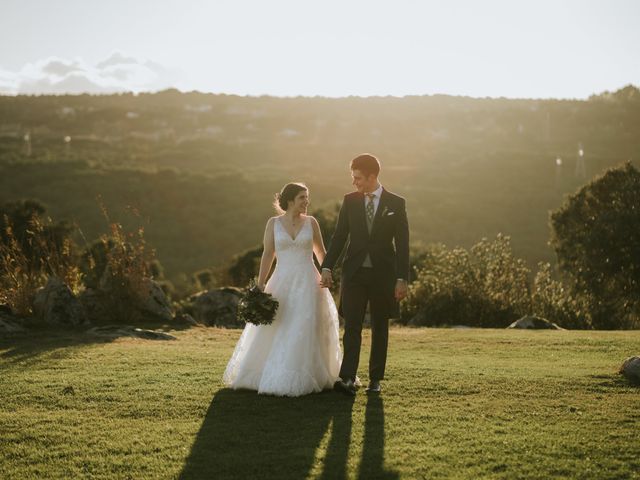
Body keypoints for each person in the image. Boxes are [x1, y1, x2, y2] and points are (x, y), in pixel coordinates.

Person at [223, 183, 342, 396]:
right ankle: (267, 372)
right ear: (290, 201)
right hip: (282, 281)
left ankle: (306, 372)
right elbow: (268, 254)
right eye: (302, 197)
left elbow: (321, 252)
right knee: (279, 324)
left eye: (307, 197)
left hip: (308, 281)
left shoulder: (312, 223)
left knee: (305, 325)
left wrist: (327, 272)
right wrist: (260, 283)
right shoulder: (273, 224)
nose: (307, 201)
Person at [321, 154, 409, 395]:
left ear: (372, 177)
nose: (354, 182)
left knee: (380, 326)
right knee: (352, 326)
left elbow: (403, 244)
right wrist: (327, 266)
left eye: (358, 178)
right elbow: (339, 237)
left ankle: (375, 380)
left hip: (384, 276)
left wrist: (403, 278)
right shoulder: (350, 201)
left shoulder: (396, 203)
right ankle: (348, 378)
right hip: (355, 274)